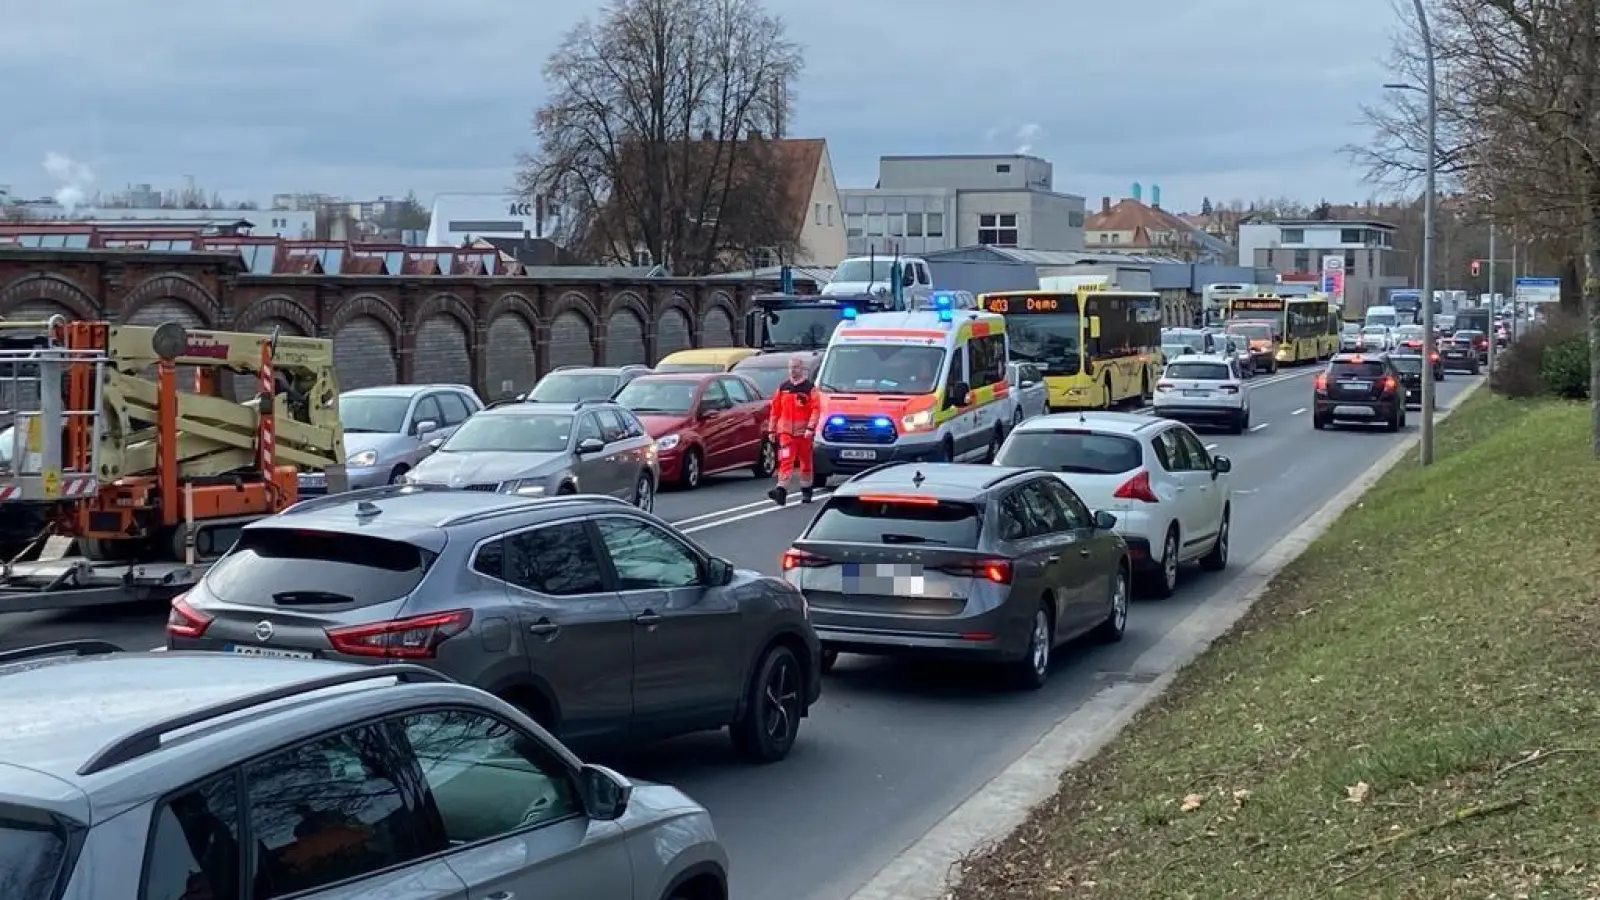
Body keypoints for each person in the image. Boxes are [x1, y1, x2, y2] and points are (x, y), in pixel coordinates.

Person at [766, 356, 820, 507]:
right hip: (786, 433)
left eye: (796, 367)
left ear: (801, 368)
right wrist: (771, 429)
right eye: (790, 367)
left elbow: (816, 410)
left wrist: (810, 428)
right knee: (785, 459)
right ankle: (781, 490)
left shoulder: (809, 389)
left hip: (804, 434)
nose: (792, 370)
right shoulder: (783, 388)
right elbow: (775, 410)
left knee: (805, 463)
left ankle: (806, 490)